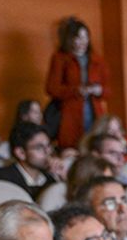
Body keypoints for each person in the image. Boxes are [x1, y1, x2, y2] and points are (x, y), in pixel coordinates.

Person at [45, 17, 108, 149]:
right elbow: (51, 88)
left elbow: (108, 90)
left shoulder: (97, 59)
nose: (83, 41)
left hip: (94, 111)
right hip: (69, 113)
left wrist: (99, 90)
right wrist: (76, 90)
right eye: (78, 38)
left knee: (96, 146)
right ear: (70, 39)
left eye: (85, 37)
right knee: (72, 146)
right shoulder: (60, 58)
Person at [0, 121, 55, 199]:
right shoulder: (2, 179)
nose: (48, 151)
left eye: (48, 145)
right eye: (39, 147)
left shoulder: (50, 178)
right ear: (21, 153)